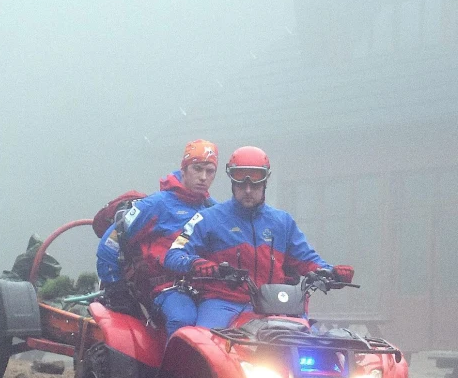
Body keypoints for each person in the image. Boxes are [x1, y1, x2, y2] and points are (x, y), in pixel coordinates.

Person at [163, 146, 355, 330]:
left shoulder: (283, 222)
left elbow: (307, 259)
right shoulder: (207, 218)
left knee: (309, 351)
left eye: (254, 183)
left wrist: (331, 273)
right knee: (203, 345)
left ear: (265, 181)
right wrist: (196, 264)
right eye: (241, 183)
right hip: (223, 303)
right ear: (232, 181)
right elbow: (174, 255)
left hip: (277, 306)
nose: (248, 190)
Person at [96, 139, 219, 337]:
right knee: (183, 321)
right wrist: (115, 287)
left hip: (204, 286)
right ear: (185, 168)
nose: (203, 177)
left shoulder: (213, 210)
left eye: (210, 171)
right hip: (163, 287)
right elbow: (109, 244)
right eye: (197, 169)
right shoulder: (156, 205)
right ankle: (176, 368)